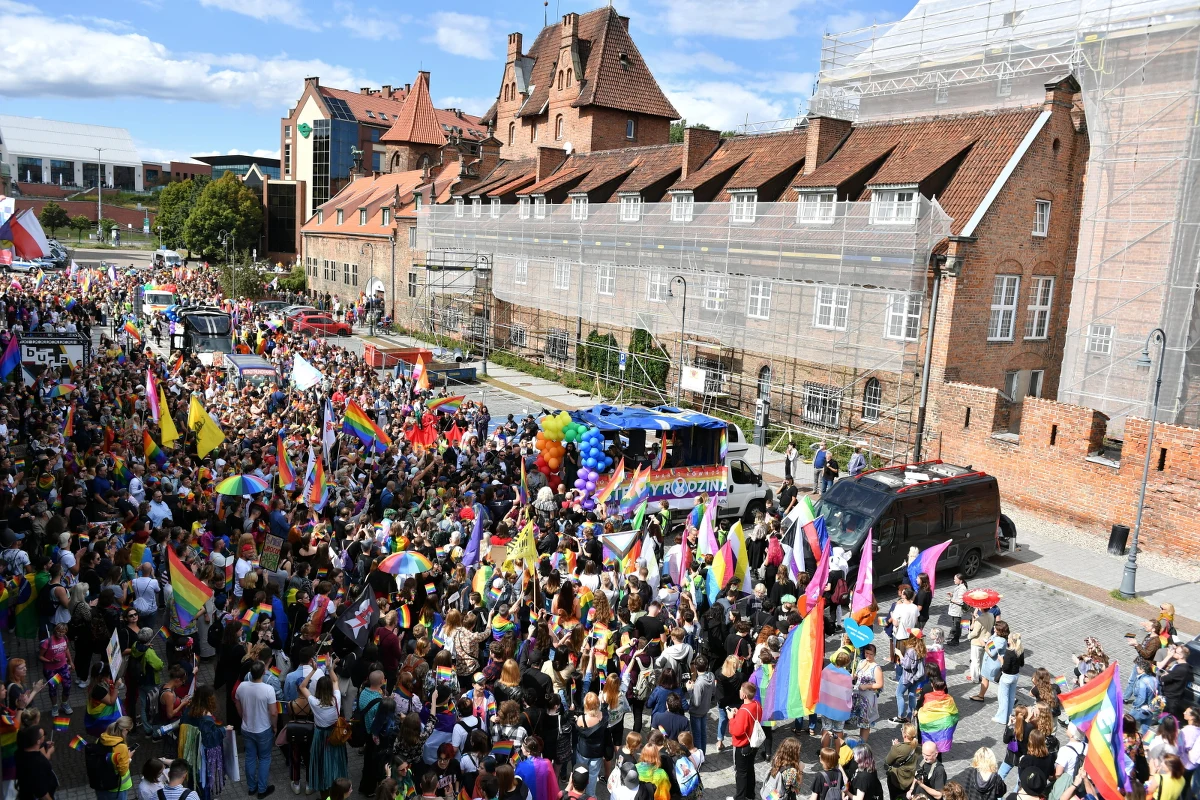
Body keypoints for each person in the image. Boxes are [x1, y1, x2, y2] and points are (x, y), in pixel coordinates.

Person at [234, 660, 278, 799]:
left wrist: (243, 717)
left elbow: (237, 703)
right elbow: (273, 712)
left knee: (250, 757)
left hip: (247, 728)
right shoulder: (268, 689)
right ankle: (262, 789)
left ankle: (252, 787)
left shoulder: (242, 686)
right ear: (264, 673)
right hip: (263, 729)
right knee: (264, 758)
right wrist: (275, 726)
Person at [729, 682, 762, 800]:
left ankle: (740, 797)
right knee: (750, 768)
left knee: (741, 773)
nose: (739, 691)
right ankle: (750, 794)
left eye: (741, 690)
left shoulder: (743, 711)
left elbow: (736, 731)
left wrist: (731, 718)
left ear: (744, 695)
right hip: (754, 743)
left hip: (743, 745)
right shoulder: (757, 704)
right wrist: (738, 715)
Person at [15, 725, 56, 800]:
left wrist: (45, 745)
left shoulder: (20, 752)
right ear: (38, 741)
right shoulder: (37, 763)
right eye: (43, 735)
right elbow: (43, 794)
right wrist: (49, 752)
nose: (44, 736)